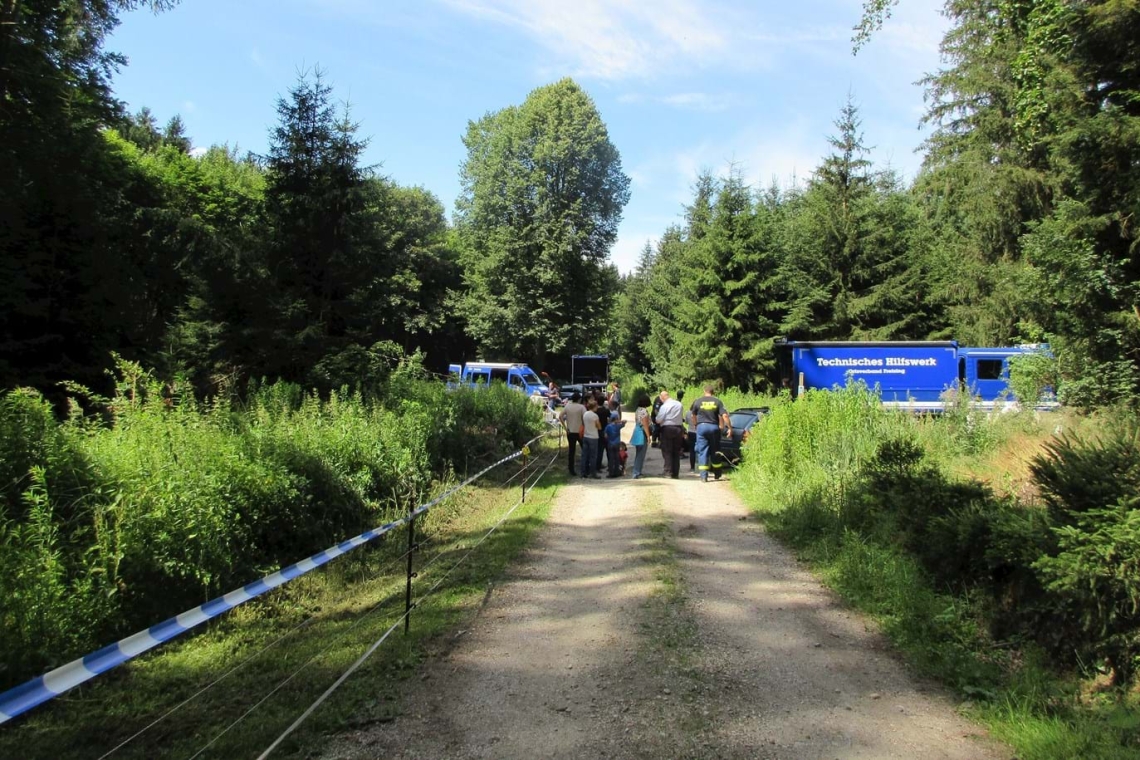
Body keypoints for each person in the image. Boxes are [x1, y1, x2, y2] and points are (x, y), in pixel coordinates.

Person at [690, 384, 731, 482]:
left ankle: (704, 476)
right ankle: (717, 473)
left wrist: (696, 424)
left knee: (702, 451)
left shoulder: (698, 401)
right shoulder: (717, 401)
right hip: (714, 427)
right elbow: (724, 415)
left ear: (704, 391)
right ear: (713, 392)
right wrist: (730, 428)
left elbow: (693, 415)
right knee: (715, 450)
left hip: (701, 427)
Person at [655, 390, 685, 479]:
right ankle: (676, 473)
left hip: (667, 428)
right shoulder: (679, 404)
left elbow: (659, 419)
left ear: (662, 397)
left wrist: (657, 419)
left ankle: (668, 472)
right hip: (678, 428)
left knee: (667, 450)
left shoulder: (665, 406)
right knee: (676, 451)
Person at [559, 392, 586, 477]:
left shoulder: (567, 406)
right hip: (580, 431)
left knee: (571, 451)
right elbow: (585, 417)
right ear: (579, 399)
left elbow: (560, 416)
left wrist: (565, 427)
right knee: (584, 449)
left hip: (570, 431)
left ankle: (571, 469)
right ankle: (585, 467)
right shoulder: (581, 407)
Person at [630, 393, 651, 479]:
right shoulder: (644, 411)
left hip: (637, 431)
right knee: (641, 454)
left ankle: (637, 470)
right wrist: (648, 436)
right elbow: (645, 424)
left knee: (638, 452)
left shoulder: (638, 410)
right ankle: (636, 472)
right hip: (642, 433)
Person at [580, 399, 602, 479]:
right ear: (594, 406)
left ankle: (583, 472)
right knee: (593, 456)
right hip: (593, 437)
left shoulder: (585, 414)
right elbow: (599, 427)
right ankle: (593, 473)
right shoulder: (595, 416)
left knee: (584, 455)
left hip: (586, 436)